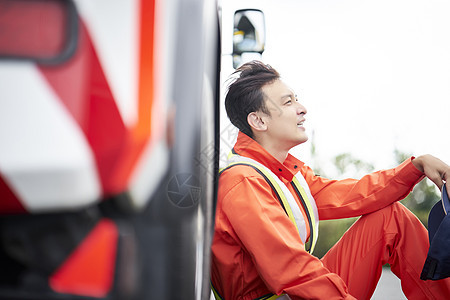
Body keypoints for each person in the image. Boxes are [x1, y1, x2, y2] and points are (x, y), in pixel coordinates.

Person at [210, 60, 450, 300]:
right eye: (288, 102)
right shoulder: (243, 182)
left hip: (293, 293)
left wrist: (416, 166)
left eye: (296, 99)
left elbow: (354, 194)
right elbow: (293, 271)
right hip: (283, 294)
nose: (302, 108)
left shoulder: (283, 176)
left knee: (391, 219)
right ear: (259, 121)